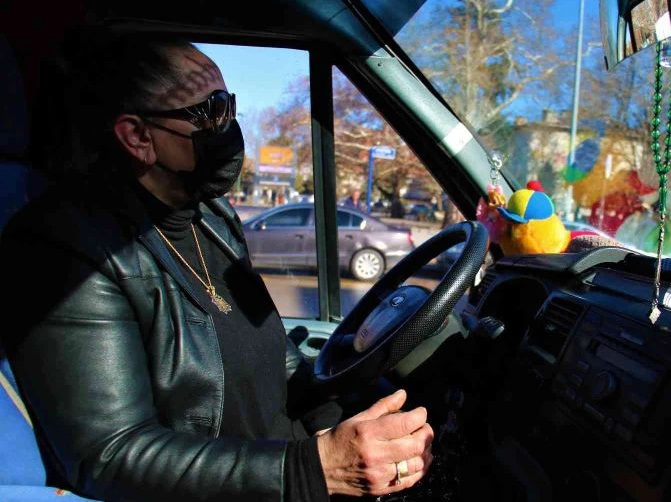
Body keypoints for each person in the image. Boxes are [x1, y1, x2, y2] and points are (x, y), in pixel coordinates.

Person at [0, 28, 432, 501]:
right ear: (138, 136)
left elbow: (279, 360)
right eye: (211, 112)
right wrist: (315, 468)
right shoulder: (66, 246)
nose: (229, 127)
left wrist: (338, 426)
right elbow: (111, 455)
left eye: (230, 106)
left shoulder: (211, 218)